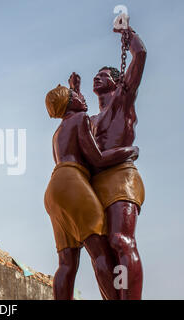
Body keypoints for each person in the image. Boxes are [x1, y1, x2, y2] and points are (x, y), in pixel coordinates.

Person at [44, 80, 138, 300]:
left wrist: (73, 90)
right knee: (100, 252)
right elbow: (97, 158)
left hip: (54, 189)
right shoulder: (81, 118)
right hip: (72, 183)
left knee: (66, 263)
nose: (82, 97)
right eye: (76, 95)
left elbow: (74, 104)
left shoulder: (57, 133)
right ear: (69, 102)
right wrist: (129, 151)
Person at [90, 25, 147, 299]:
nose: (97, 78)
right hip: (95, 183)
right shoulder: (89, 121)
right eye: (96, 75)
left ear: (116, 80)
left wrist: (128, 34)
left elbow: (140, 55)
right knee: (99, 249)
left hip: (120, 178)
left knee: (120, 240)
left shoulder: (123, 98)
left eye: (103, 75)